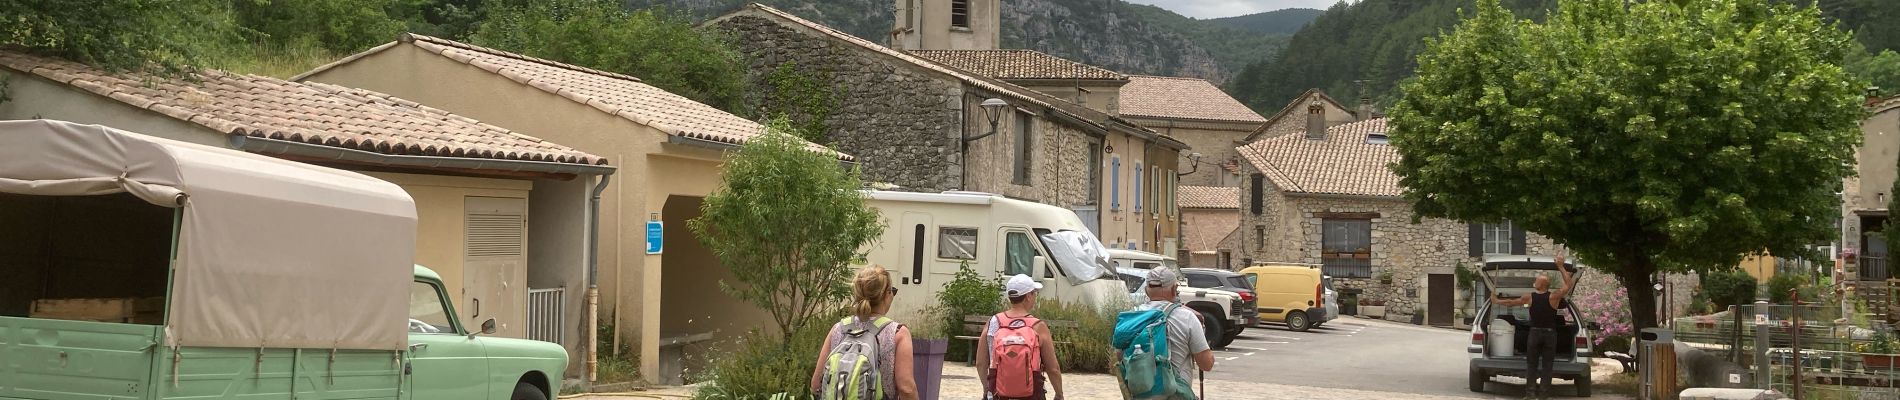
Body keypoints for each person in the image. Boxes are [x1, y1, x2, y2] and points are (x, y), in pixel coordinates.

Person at [812, 266, 918, 400]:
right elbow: (906, 389)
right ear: (887, 294)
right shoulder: (897, 333)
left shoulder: (838, 329)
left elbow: (816, 385)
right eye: (893, 291)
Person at [1489, 251, 1577, 400]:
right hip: (1550, 335)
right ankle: (1543, 396)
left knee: (1532, 365)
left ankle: (1530, 394)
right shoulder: (1554, 297)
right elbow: (1569, 284)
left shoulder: (1529, 297)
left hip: (1534, 334)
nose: (1534, 282)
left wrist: (1497, 301)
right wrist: (1561, 267)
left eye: (1536, 280)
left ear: (1540, 284)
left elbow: (1511, 303)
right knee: (1547, 366)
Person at [977, 275, 1065, 400]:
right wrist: (1059, 394)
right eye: (1035, 293)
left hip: (998, 393)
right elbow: (1053, 368)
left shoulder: (993, 322)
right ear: (1028, 297)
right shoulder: (1038, 326)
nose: (1035, 297)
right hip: (1032, 394)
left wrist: (987, 390)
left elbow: (980, 363)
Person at [1135, 267, 1214, 399]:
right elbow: (1206, 364)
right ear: (1174, 289)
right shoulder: (1187, 318)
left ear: (1146, 291)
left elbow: (1118, 359)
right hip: (1176, 394)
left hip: (1140, 394)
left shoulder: (1134, 315)